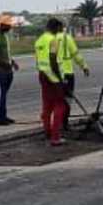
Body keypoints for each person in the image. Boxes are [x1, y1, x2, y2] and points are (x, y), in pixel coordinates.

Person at [35, 18, 68, 146]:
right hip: (53, 77)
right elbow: (53, 60)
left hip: (42, 74)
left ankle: (47, 132)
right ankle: (55, 137)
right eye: (59, 28)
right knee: (60, 105)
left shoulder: (39, 40)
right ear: (54, 27)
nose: (60, 31)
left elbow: (38, 59)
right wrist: (59, 78)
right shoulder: (53, 40)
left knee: (47, 105)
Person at [58, 27, 90, 130]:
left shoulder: (49, 38)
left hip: (54, 74)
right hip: (67, 72)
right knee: (67, 99)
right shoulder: (66, 38)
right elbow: (76, 54)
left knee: (57, 99)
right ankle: (64, 123)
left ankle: (56, 123)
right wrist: (84, 66)